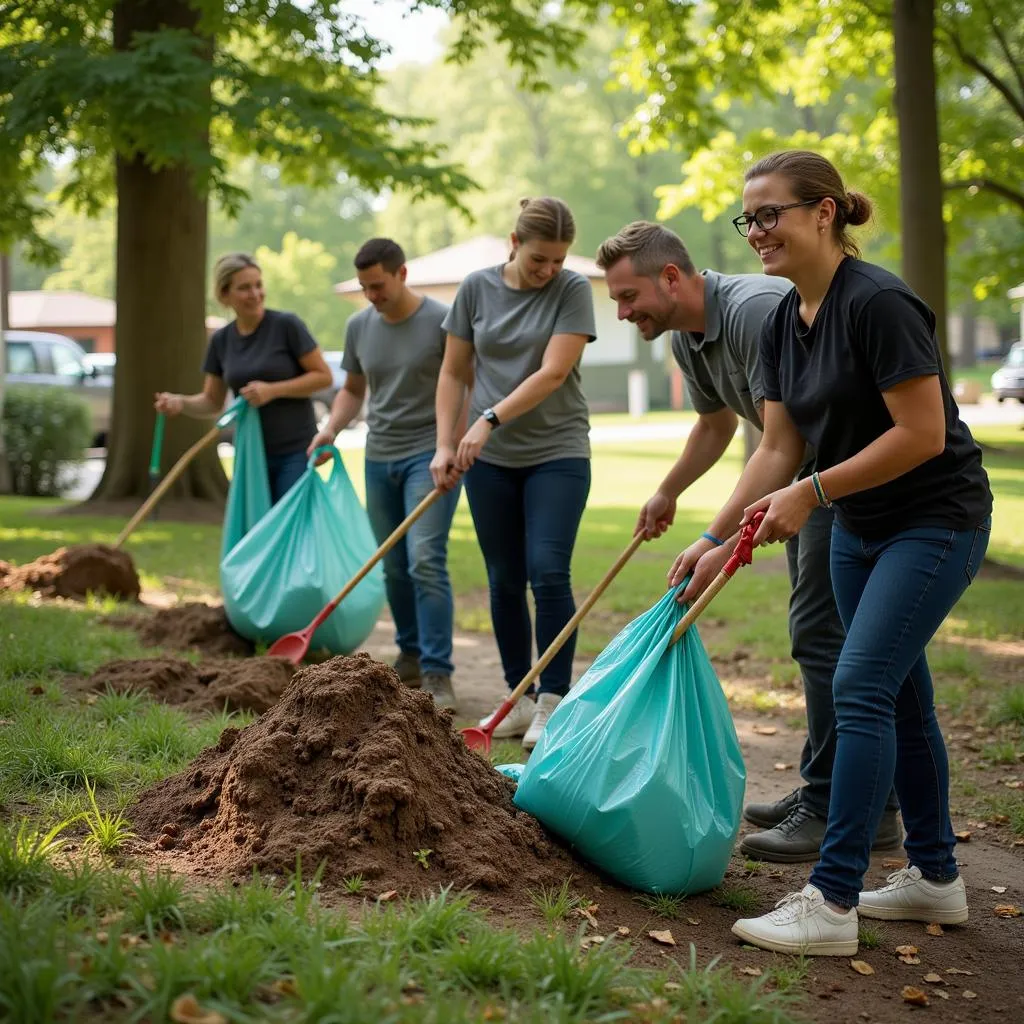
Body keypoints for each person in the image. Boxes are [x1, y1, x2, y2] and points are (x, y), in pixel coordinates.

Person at [672, 150, 991, 955]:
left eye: (771, 213)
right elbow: (778, 448)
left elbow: (920, 436)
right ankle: (935, 878)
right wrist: (720, 539)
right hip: (858, 530)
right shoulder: (786, 318)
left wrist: (813, 495)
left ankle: (834, 899)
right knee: (901, 697)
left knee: (858, 685)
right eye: (748, 218)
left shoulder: (878, 302)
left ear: (824, 212)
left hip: (935, 519)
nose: (757, 232)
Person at [596, 221, 902, 863]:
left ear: (671, 277)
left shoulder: (756, 311)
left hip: (831, 477)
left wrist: (717, 537)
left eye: (627, 298)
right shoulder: (687, 337)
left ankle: (845, 806)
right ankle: (830, 786)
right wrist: (669, 490)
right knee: (820, 636)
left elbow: (781, 441)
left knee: (821, 635)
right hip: (794, 481)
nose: (622, 314)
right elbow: (714, 426)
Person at [431, 197, 597, 751]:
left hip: (558, 451)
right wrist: (444, 444)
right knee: (503, 577)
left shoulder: (571, 291)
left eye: (558, 260)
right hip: (491, 461)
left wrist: (488, 418)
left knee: (547, 570)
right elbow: (454, 371)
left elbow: (553, 373)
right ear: (514, 242)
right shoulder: (476, 288)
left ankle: (553, 697)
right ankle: (518, 695)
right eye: (538, 260)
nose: (548, 270)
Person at [308, 239, 461, 707]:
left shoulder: (442, 320)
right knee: (393, 566)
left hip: (429, 455)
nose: (372, 295)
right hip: (380, 455)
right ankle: (410, 656)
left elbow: (463, 380)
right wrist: (331, 428)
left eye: (378, 285)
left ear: (402, 274)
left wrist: (448, 446)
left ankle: (438, 672)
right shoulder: (359, 326)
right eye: (364, 287)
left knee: (424, 558)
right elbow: (353, 390)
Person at [155, 252, 332, 504]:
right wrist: (180, 402)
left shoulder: (286, 326)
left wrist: (273, 390)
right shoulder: (221, 340)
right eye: (244, 288)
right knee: (256, 526)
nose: (255, 294)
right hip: (251, 453)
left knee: (289, 525)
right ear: (224, 295)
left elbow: (323, 377)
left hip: (296, 450)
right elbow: (212, 401)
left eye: (258, 285)